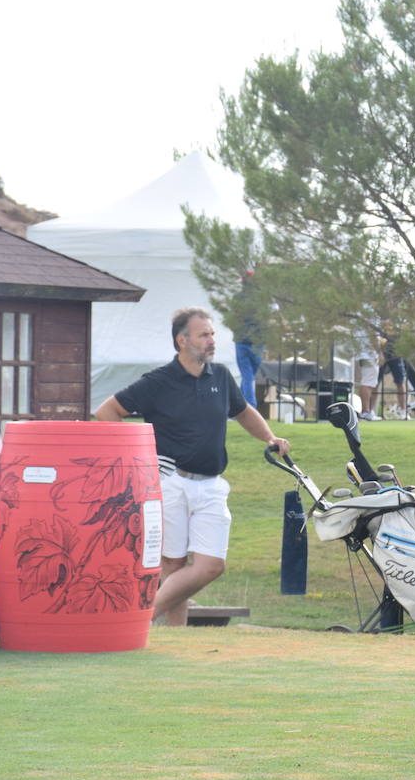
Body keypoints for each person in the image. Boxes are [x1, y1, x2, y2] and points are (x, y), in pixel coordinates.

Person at [94, 307, 291, 626]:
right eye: (204, 335)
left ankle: (135, 622)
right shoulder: (158, 382)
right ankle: (175, 636)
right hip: (169, 481)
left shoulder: (222, 377)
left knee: (211, 565)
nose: (211, 340)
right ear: (182, 340)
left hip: (211, 483)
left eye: (212, 334)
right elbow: (107, 411)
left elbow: (243, 412)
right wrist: (141, 456)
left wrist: (269, 437)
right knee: (173, 564)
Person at [231, 268, 263, 408]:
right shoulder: (263, 298)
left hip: (241, 340)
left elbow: (232, 319)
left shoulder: (237, 298)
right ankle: (250, 407)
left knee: (247, 376)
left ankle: (238, 406)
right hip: (257, 341)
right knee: (249, 376)